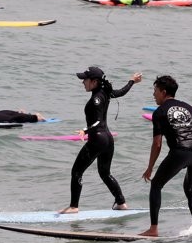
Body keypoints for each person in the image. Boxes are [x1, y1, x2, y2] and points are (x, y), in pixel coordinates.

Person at [57, 67, 142, 214]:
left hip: (97, 139)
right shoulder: (105, 93)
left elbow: (96, 122)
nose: (83, 82)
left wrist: (85, 130)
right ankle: (121, 202)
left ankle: (73, 206)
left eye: (85, 79)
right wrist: (132, 81)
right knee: (105, 173)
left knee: (76, 172)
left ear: (94, 82)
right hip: (108, 139)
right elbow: (121, 92)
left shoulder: (96, 99)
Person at [140, 75, 192, 237]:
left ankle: (153, 229)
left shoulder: (159, 112)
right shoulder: (190, 108)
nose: (153, 94)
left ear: (163, 92)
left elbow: (157, 144)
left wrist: (150, 168)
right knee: (190, 190)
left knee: (156, 184)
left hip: (180, 151)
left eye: (155, 91)